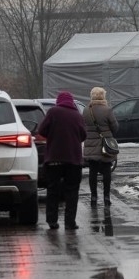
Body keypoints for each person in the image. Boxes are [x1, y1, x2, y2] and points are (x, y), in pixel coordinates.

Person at [38, 91, 87, 230]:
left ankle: (52, 221)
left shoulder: (53, 112)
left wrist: (52, 135)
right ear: (71, 102)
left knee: (53, 190)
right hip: (73, 160)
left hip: (54, 159)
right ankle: (70, 222)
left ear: (58, 101)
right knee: (72, 191)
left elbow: (42, 130)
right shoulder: (77, 115)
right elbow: (83, 135)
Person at [83, 86, 119, 206]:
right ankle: (106, 197)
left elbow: (83, 127)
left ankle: (93, 197)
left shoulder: (86, 110)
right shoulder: (107, 110)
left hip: (91, 145)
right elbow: (115, 127)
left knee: (92, 172)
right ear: (103, 96)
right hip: (105, 146)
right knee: (106, 171)